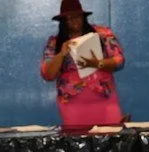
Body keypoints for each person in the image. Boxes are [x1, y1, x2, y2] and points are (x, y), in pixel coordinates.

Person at [40, 0, 125, 128]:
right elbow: (48, 74)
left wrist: (97, 64)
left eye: (77, 16)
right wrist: (61, 54)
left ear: (83, 17)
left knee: (111, 140)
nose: (74, 21)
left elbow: (119, 61)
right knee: (78, 144)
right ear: (63, 21)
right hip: (73, 104)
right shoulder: (55, 42)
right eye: (69, 18)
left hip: (105, 100)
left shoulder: (103, 34)